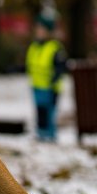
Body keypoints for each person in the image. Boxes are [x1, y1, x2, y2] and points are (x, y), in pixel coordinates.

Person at [26, 13, 67, 142]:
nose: (39, 32)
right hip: (37, 86)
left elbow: (61, 66)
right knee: (40, 111)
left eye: (42, 29)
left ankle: (50, 135)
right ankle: (41, 133)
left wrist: (55, 79)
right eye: (37, 29)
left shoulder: (54, 48)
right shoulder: (35, 47)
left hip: (50, 88)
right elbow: (30, 64)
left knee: (49, 112)